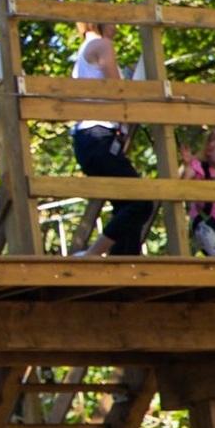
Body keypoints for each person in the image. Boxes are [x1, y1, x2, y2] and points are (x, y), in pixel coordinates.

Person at [68, 20, 153, 257]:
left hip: (89, 138)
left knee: (126, 206)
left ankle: (126, 266)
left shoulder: (83, 52)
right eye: (113, 20)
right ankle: (93, 253)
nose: (117, 26)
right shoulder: (102, 44)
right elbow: (118, 90)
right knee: (140, 202)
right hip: (98, 135)